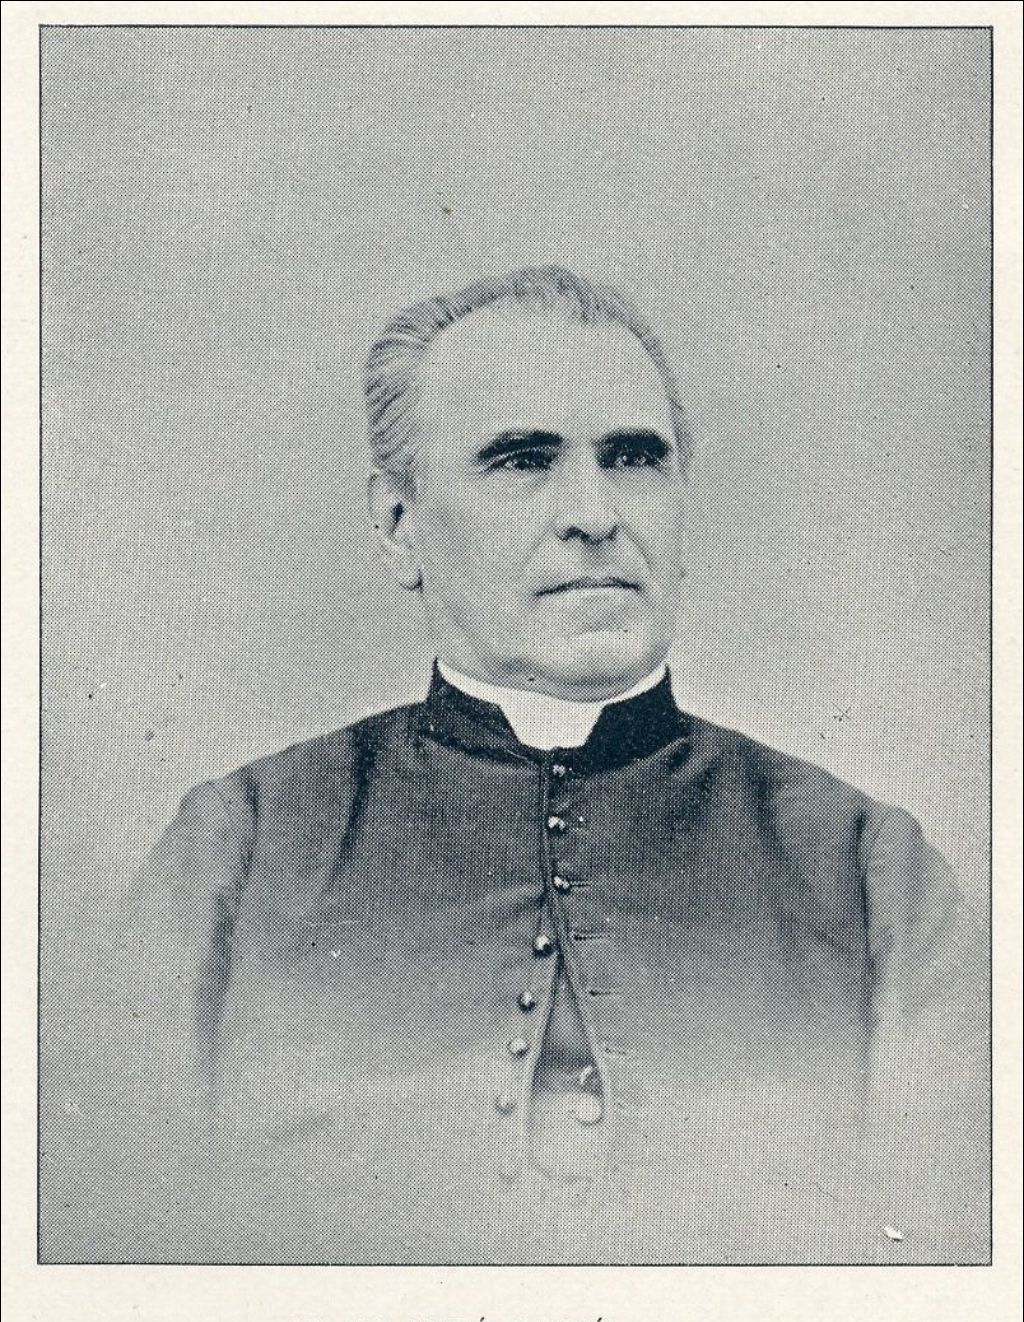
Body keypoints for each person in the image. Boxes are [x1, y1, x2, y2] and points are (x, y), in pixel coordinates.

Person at [52, 265, 987, 1264]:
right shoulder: (237, 846)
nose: (594, 512)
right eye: (521, 461)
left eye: (634, 458)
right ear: (399, 526)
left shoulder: (867, 870)